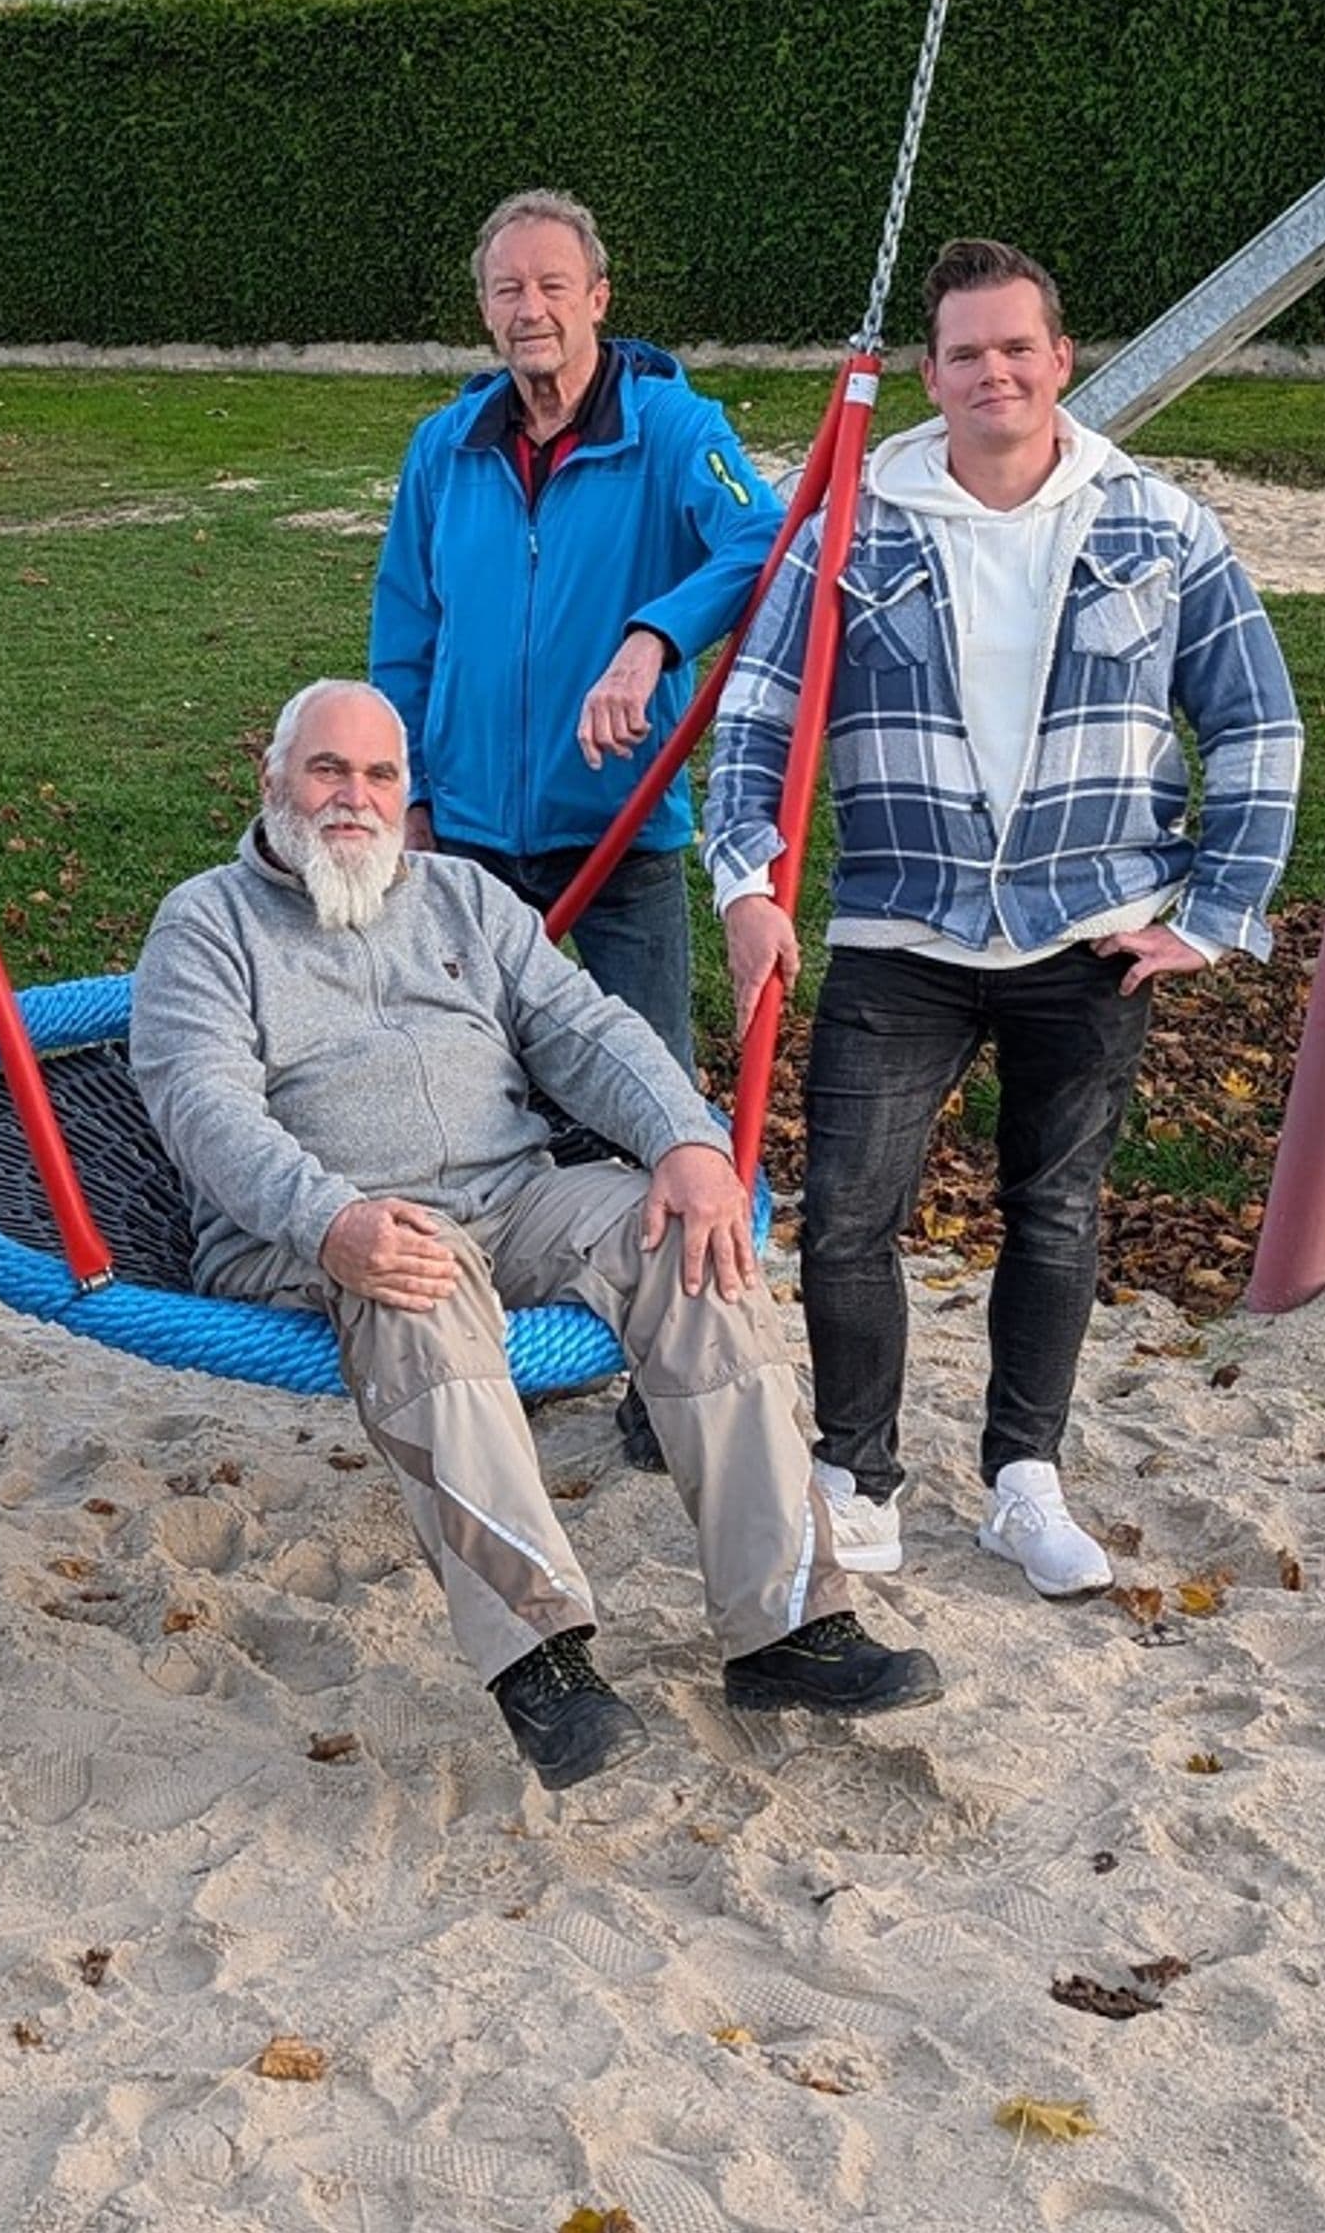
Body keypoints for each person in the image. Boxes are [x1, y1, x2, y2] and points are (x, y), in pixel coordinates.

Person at [129, 677, 935, 1789]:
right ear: (272, 781)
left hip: (509, 1197)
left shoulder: (463, 899)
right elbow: (202, 1106)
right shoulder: (206, 922)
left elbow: (586, 1029)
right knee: (418, 1278)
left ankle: (789, 1623)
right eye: (326, 770)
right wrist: (330, 1218)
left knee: (687, 1246)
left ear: (405, 793)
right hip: (313, 1224)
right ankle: (540, 1657)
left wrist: (685, 1139)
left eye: (378, 775)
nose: (352, 798)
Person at [706, 238, 1302, 1599]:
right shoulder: (850, 522)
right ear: (929, 374)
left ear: (1060, 359)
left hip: (1084, 932)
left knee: (1054, 1212)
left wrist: (1212, 913)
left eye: (1016, 348)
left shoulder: (1156, 523)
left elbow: (1256, 722)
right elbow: (753, 716)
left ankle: (1022, 1480)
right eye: (966, 352)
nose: (994, 373)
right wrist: (744, 882)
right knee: (845, 1215)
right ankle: (856, 1476)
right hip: (899, 930)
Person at [370, 188, 775, 1465]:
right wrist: (411, 798)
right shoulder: (447, 448)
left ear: (598, 298)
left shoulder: (669, 428)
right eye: (506, 289)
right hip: (468, 840)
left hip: (619, 832)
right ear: (483, 308)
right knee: (480, 1102)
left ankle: (672, 1381)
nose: (528, 309)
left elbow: (766, 539)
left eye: (552, 285)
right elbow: (405, 632)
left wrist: (652, 637)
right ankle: (514, 1344)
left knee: (647, 1093)